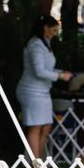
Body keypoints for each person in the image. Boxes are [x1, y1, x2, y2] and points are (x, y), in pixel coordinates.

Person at [16, 15, 72, 160]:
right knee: (35, 126)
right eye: (53, 30)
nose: (55, 34)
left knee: (46, 126)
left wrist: (61, 72)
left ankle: (38, 160)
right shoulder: (35, 45)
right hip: (31, 91)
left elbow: (47, 68)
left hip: (43, 91)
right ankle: (35, 164)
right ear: (45, 28)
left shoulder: (45, 43)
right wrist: (60, 76)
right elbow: (39, 71)